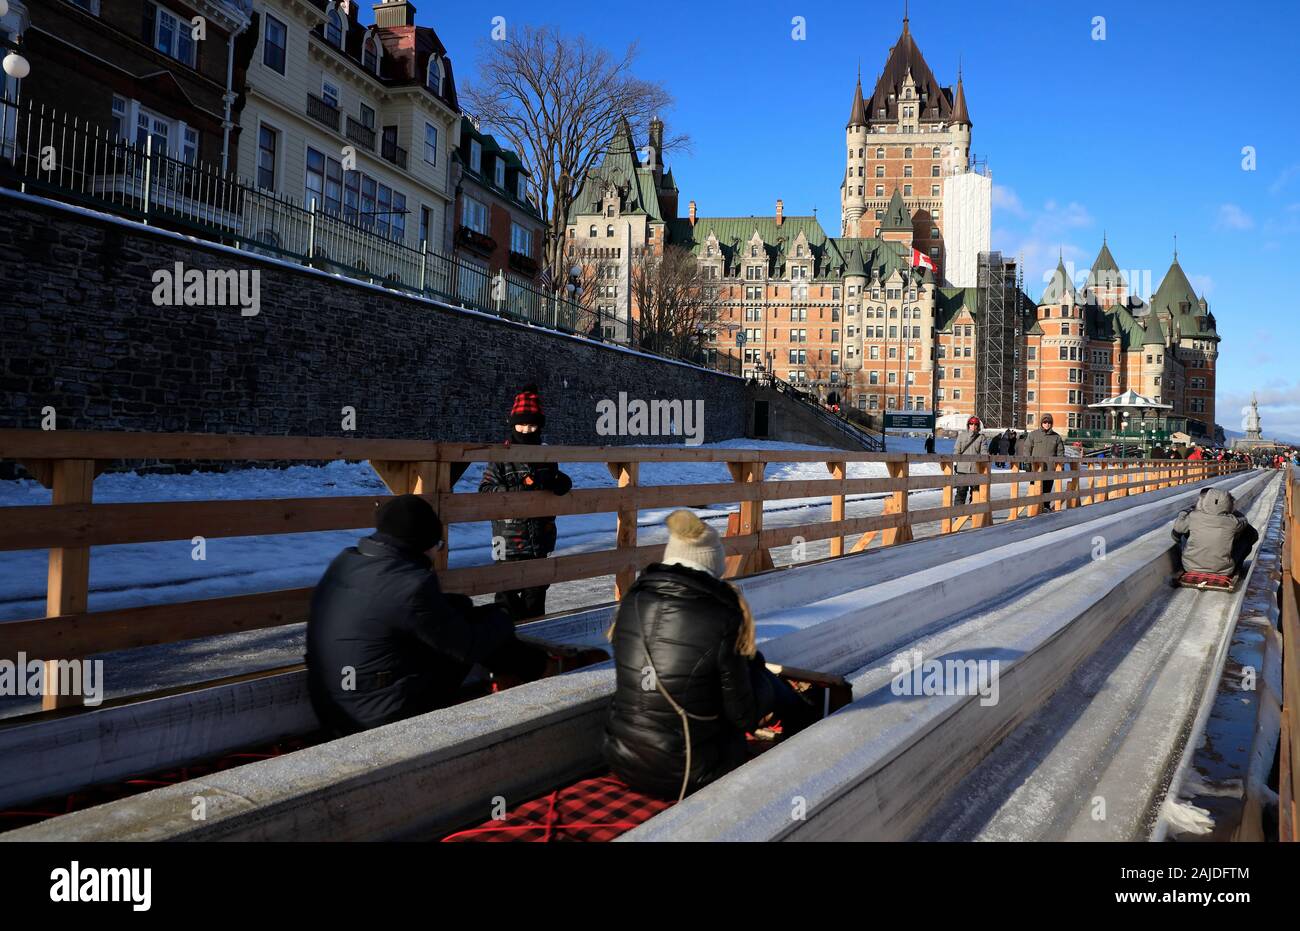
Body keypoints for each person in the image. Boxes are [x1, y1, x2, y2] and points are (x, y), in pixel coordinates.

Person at [602, 509, 818, 801]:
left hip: (623, 759)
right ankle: (810, 729)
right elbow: (744, 717)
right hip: (690, 769)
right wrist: (760, 678)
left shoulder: (631, 602)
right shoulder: (722, 615)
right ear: (713, 563)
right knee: (760, 675)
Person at [306, 495, 548, 736]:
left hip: (330, 706)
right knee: (479, 638)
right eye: (438, 545)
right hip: (378, 719)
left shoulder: (346, 561)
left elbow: (395, 608)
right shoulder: (412, 586)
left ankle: (527, 675)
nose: (437, 552)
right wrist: (503, 616)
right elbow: (468, 646)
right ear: (423, 545)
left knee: (460, 621)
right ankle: (543, 676)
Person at [480, 384, 573, 621]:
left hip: (540, 536)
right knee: (506, 596)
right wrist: (518, 490)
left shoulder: (545, 456)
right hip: (506, 538)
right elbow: (485, 490)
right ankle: (505, 643)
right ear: (513, 425)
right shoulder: (501, 456)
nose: (527, 430)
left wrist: (559, 482)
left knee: (536, 595)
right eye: (522, 425)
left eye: (532, 425)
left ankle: (535, 643)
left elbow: (554, 483)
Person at [1171, 487, 1258, 580]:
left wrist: (1185, 513)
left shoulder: (1193, 516)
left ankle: (1194, 559)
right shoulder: (1233, 522)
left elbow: (1175, 536)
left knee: (1185, 535)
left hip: (1190, 567)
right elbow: (1253, 535)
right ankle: (1235, 567)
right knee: (1246, 538)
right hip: (1223, 570)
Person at [1024, 413, 1066, 511]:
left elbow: (1060, 453)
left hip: (1050, 469)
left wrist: (1061, 465)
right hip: (1035, 469)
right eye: (1045, 422)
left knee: (1047, 489)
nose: (1047, 424)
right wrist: (1027, 463)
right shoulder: (1033, 435)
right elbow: (1027, 449)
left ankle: (1046, 506)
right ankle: (1034, 506)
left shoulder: (1056, 437)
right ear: (1041, 423)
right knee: (1035, 488)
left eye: (1049, 422)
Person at [952, 415, 987, 508]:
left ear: (978, 426)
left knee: (975, 492)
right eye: (971, 424)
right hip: (962, 469)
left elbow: (984, 453)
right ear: (968, 425)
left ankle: (972, 513)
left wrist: (985, 460)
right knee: (961, 492)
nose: (973, 426)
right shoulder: (961, 436)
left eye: (975, 424)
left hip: (975, 470)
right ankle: (958, 513)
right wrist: (955, 464)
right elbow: (956, 451)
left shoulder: (981, 438)